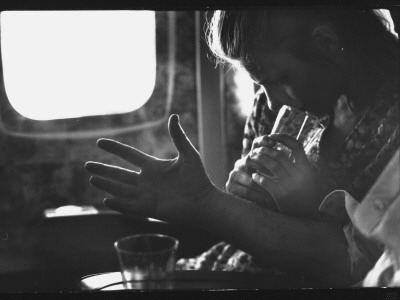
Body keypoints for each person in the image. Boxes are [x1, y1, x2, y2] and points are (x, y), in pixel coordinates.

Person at [85, 7, 399, 286]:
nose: (272, 101)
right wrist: (240, 196)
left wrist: (307, 204)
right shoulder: (271, 103)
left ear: (327, 43)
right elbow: (249, 219)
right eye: (260, 85)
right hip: (230, 265)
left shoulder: (392, 125)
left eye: (279, 79)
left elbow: (364, 265)